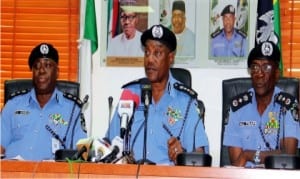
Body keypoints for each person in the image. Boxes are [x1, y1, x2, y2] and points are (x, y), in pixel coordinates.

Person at [106, 24, 209, 165]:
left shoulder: (186, 102)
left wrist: (182, 155)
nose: (150, 60)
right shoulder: (130, 95)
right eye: (147, 53)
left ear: (171, 58)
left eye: (157, 53)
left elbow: (200, 155)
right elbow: (109, 145)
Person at [0, 43, 87, 161]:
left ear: (57, 72)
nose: (41, 70)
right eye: (37, 66)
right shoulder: (13, 105)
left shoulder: (72, 110)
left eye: (48, 65)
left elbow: (81, 154)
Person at [223, 41, 300, 167]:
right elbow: (237, 163)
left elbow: (287, 158)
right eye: (255, 67)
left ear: (276, 74)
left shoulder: (288, 106)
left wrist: (248, 155)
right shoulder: (237, 108)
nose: (259, 74)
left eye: (266, 67)